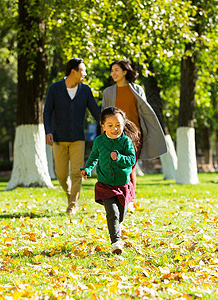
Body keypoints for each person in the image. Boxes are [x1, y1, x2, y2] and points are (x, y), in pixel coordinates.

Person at [43, 58, 101, 215]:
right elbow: (47, 111)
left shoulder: (85, 90)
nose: (85, 74)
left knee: (77, 173)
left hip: (77, 138)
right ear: (73, 72)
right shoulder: (55, 88)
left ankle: (73, 204)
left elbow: (95, 111)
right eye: (83, 70)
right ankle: (71, 197)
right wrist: (48, 131)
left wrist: (107, 125)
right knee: (61, 175)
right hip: (58, 138)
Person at [81, 107, 140, 254]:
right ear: (103, 126)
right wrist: (87, 169)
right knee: (112, 213)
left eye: (118, 125)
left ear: (123, 125)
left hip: (122, 185)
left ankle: (116, 227)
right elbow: (94, 157)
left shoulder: (126, 141)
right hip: (105, 184)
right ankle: (116, 243)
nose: (115, 128)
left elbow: (132, 160)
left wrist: (119, 157)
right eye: (110, 125)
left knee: (120, 215)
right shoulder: (99, 141)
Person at [102, 60, 167, 190]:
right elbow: (104, 115)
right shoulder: (108, 92)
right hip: (115, 134)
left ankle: (129, 199)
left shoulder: (137, 89)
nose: (113, 73)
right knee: (116, 165)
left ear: (124, 72)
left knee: (130, 166)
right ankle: (119, 195)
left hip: (134, 134)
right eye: (112, 71)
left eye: (116, 70)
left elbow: (144, 112)